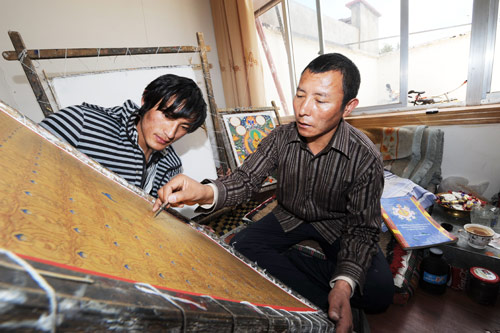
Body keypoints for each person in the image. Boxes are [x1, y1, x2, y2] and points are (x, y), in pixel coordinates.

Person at [153, 53, 394, 332]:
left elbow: (362, 229)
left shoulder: (365, 156)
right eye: (300, 95)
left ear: (348, 107)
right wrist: (205, 192)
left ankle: (327, 289)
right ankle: (327, 306)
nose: (303, 109)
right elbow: (245, 181)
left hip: (337, 226)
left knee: (378, 291)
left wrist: (343, 283)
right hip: (288, 216)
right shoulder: (281, 137)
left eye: (321, 100)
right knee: (241, 247)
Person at [40, 74, 207, 198]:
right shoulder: (80, 122)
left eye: (183, 127)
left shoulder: (171, 165)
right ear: (145, 100)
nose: (171, 133)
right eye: (168, 116)